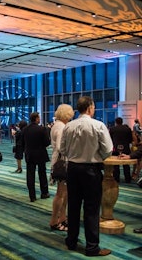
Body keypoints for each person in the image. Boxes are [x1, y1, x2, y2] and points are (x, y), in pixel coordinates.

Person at [60, 96, 113, 257]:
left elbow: (62, 150)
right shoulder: (98, 125)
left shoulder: (68, 126)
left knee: (74, 206)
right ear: (90, 108)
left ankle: (71, 241)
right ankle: (91, 247)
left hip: (73, 169)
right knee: (91, 209)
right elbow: (108, 150)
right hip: (91, 170)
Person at [49, 104, 74, 231]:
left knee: (64, 193)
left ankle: (62, 218)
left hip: (58, 160)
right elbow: (60, 147)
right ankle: (54, 220)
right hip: (62, 162)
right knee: (61, 193)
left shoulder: (56, 125)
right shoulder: (61, 127)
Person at [21, 112, 50, 202]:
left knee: (30, 175)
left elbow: (22, 143)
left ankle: (32, 196)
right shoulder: (42, 129)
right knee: (42, 173)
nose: (40, 119)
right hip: (40, 153)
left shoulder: (25, 129)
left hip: (29, 154)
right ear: (36, 118)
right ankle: (44, 193)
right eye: (39, 117)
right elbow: (47, 143)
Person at [109, 117, 133, 183]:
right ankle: (127, 179)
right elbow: (130, 139)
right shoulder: (127, 129)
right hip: (126, 148)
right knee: (126, 164)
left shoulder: (112, 129)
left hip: (115, 148)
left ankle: (116, 179)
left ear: (116, 122)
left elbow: (110, 139)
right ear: (122, 122)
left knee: (115, 165)